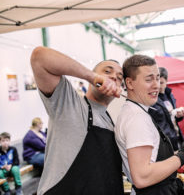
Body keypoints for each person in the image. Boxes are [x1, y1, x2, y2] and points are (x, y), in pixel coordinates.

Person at [30, 46, 124, 195]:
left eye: (119, 78)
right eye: (107, 71)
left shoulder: (113, 124)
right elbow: (39, 57)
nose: (114, 77)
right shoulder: (69, 103)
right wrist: (92, 77)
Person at [115, 54, 184, 195]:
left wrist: (176, 154)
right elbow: (142, 177)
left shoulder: (137, 110)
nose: (156, 85)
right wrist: (183, 156)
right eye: (149, 79)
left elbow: (152, 158)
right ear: (129, 83)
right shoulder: (136, 118)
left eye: (157, 78)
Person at [148, 67, 184, 151]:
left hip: (176, 136)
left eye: (161, 82)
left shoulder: (169, 95)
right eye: (157, 82)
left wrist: (179, 116)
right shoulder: (152, 98)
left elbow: (172, 118)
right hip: (165, 141)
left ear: (166, 81)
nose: (158, 85)